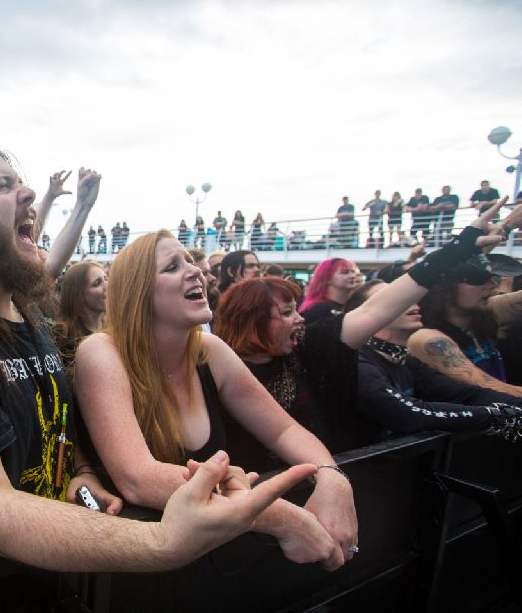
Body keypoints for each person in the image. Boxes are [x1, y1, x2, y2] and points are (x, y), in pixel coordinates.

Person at [0, 141, 317, 576]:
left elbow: (50, 433)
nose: (27, 192)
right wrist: (162, 541)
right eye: (1, 186)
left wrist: (79, 475)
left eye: (19, 181)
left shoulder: (21, 320)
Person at [73, 231, 357, 569]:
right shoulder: (101, 353)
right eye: (172, 267)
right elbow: (138, 479)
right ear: (138, 293)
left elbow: (283, 431)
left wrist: (331, 477)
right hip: (130, 568)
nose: (195, 271)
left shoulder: (211, 351)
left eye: (191, 262)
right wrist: (283, 518)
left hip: (208, 563)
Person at [214, 200, 511, 458]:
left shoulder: (309, 347)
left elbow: (376, 308)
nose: (301, 318)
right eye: (288, 312)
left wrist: (459, 248)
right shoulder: (213, 371)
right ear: (252, 320)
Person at [344, 280, 522, 445]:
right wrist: (495, 416)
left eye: (408, 297)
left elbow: (466, 394)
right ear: (365, 317)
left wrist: (516, 406)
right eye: (394, 300)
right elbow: (407, 414)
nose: (410, 302)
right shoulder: (355, 362)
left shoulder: (407, 360)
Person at [409, 253, 522, 398]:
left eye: (490, 278)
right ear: (445, 287)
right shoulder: (427, 338)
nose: (492, 285)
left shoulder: (482, 314)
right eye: (478, 279)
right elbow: (488, 386)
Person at [50, 260, 107, 380]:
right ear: (79, 295)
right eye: (97, 283)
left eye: (106, 279)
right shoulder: (63, 334)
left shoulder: (114, 325)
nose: (107, 286)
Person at [298, 258, 361, 325]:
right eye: (345, 272)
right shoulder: (317, 310)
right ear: (327, 278)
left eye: (353, 272)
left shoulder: (357, 305)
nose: (352, 276)